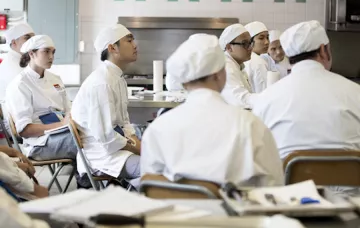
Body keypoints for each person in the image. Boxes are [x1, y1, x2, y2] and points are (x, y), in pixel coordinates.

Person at [141, 34, 284, 187]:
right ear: (220, 74)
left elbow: (150, 187)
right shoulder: (249, 125)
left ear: (184, 82)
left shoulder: (157, 129)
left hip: (175, 210)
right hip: (234, 210)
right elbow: (274, 186)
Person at [252, 21, 360, 161]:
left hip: (288, 181)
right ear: (323, 50)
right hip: (349, 180)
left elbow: (256, 152)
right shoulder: (354, 92)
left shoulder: (265, 99)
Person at [71, 24, 141, 187]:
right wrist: (138, 149)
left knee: (159, 164)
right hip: (104, 157)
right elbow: (107, 138)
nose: (135, 45)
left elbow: (125, 124)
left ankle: (123, 192)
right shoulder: (101, 82)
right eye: (129, 41)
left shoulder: (117, 78)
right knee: (156, 170)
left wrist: (138, 144)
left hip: (117, 151)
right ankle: (123, 196)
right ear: (112, 48)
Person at [5, 35, 76, 162]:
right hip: (39, 143)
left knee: (95, 134)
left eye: (53, 52)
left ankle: (101, 181)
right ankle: (89, 181)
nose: (51, 57)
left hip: (64, 132)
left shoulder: (55, 79)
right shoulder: (20, 84)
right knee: (87, 141)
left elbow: (69, 109)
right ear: (32, 53)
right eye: (46, 51)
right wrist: (61, 125)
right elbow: (24, 130)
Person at [0, 23, 35, 130]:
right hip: (17, 122)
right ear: (14, 42)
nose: (32, 42)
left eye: (34, 38)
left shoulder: (22, 61)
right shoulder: (11, 66)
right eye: (27, 38)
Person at [219, 23, 256, 109]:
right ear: (229, 47)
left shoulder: (237, 65)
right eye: (245, 44)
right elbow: (240, 100)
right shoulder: (226, 67)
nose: (250, 48)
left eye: (250, 43)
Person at [244, 21, 269, 93]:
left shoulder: (245, 59)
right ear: (250, 41)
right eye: (261, 38)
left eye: (267, 37)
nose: (267, 42)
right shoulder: (258, 62)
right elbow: (263, 92)